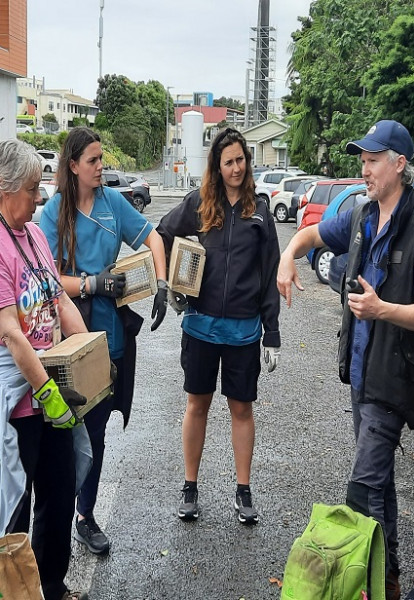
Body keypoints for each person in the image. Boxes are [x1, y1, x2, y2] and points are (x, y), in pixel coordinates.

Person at [277, 120, 414, 600]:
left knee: (362, 485)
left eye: (373, 160)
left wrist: (381, 309)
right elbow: (309, 235)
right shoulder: (361, 218)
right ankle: (389, 579)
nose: (364, 168)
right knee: (380, 485)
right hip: (359, 374)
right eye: (362, 159)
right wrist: (287, 254)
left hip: (393, 381)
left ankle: (359, 586)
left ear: (399, 164)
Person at [39, 126, 168, 555]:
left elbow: (151, 236)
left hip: (112, 337)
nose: (100, 167)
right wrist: (92, 283)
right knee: (68, 431)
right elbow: (45, 278)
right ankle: (61, 510)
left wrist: (163, 282)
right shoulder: (54, 212)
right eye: (92, 161)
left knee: (96, 432)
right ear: (72, 166)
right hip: (73, 339)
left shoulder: (114, 202)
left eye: (102, 160)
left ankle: (85, 513)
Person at [0, 139, 91, 600]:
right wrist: (45, 391)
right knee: (16, 508)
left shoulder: (34, 234)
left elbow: (59, 298)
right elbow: (8, 329)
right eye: (30, 190)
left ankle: (53, 585)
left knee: (59, 494)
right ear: (4, 189)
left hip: (52, 388)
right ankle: (18, 594)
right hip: (21, 399)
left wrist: (88, 357)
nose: (37, 198)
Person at [156, 127, 281, 526]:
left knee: (241, 409)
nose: (236, 168)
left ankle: (243, 490)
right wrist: (172, 281)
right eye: (228, 162)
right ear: (216, 165)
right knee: (198, 404)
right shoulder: (198, 203)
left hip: (244, 331)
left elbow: (269, 274)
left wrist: (272, 333)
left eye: (240, 159)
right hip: (199, 327)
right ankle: (190, 486)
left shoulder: (260, 210)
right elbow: (161, 233)